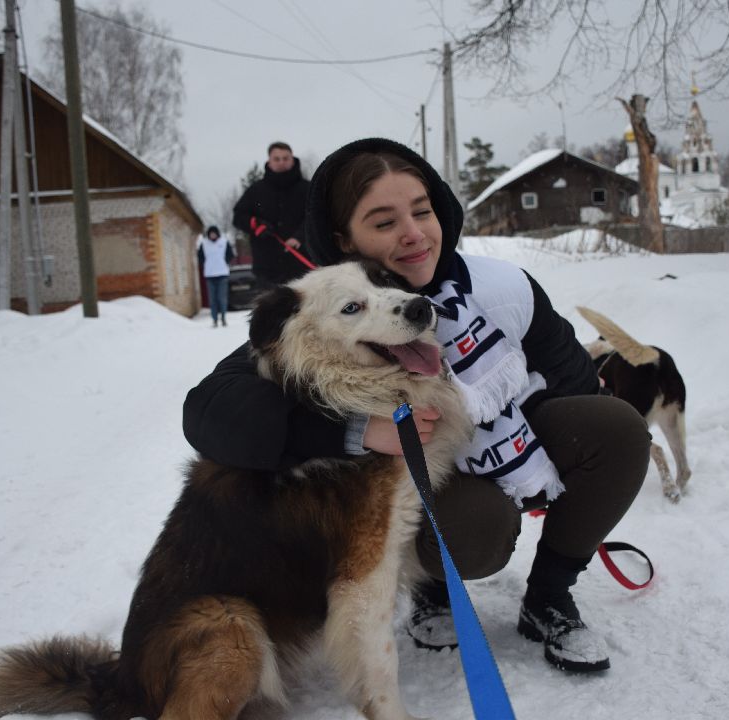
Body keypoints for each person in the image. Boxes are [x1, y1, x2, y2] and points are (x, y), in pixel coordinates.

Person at [184, 137, 650, 673]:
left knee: (616, 429)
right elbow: (209, 410)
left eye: (422, 212)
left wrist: (553, 459)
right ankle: (435, 590)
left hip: (506, 443)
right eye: (384, 223)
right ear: (344, 239)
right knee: (478, 529)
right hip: (441, 489)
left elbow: (573, 378)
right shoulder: (325, 312)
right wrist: (354, 430)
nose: (412, 233)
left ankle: (550, 594)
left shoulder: (500, 287)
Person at [232, 141, 312, 289]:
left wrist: (299, 237)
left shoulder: (308, 189)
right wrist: (256, 225)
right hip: (267, 269)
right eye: (277, 159)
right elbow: (239, 217)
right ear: (269, 162)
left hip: (302, 267)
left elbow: (316, 217)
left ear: (292, 159)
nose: (281, 162)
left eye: (285, 158)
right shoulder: (256, 190)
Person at [196, 225, 235, 327]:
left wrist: (225, 262)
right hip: (210, 275)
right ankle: (214, 319)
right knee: (212, 299)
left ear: (217, 234)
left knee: (222, 298)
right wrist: (205, 264)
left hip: (222, 274)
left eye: (214, 233)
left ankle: (223, 318)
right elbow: (200, 256)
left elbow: (231, 254)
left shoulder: (224, 242)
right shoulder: (204, 244)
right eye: (211, 234)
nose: (212, 235)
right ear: (208, 234)